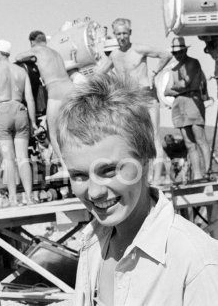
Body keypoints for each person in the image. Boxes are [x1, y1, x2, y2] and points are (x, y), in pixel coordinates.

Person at [56, 73, 218, 306]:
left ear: (146, 159)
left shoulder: (195, 261)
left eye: (109, 170)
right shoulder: (92, 242)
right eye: (79, 175)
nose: (94, 192)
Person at [98, 18, 173, 184]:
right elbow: (98, 74)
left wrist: (155, 72)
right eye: (118, 34)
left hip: (146, 96)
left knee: (153, 136)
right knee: (135, 140)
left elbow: (165, 54)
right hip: (130, 101)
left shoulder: (139, 49)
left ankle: (157, 178)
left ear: (130, 33)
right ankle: (143, 177)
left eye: (124, 33)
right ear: (114, 35)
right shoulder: (114, 56)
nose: (122, 37)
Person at [0, 39, 37, 206]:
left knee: (9, 159)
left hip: (2, 111)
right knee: (23, 158)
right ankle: (30, 197)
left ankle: (13, 199)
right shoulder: (21, 72)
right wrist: (33, 122)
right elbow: (30, 99)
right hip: (20, 111)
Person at [15, 44, 74, 172]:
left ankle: (66, 167)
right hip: (70, 88)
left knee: (52, 134)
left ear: (32, 42)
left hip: (55, 92)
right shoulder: (56, 54)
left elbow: (18, 57)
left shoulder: (37, 51)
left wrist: (29, 56)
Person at [164, 36, 211, 180]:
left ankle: (209, 172)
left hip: (193, 102)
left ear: (184, 50)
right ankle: (197, 174)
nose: (177, 55)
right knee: (189, 143)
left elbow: (185, 83)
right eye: (175, 53)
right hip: (179, 106)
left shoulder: (193, 62)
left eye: (179, 52)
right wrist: (180, 87)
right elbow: (167, 91)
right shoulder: (174, 69)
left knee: (200, 138)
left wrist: (177, 87)